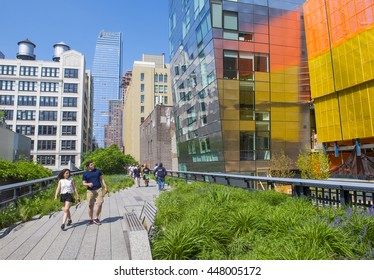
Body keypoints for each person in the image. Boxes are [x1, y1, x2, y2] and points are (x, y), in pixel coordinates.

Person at [82, 161, 108, 225]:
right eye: (91, 164)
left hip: (98, 189)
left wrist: (105, 187)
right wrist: (88, 184)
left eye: (93, 164)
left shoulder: (98, 171)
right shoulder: (85, 173)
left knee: (100, 203)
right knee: (91, 206)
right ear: (88, 167)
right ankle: (90, 219)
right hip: (90, 191)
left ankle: (96, 218)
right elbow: (83, 183)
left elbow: (102, 179)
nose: (93, 165)